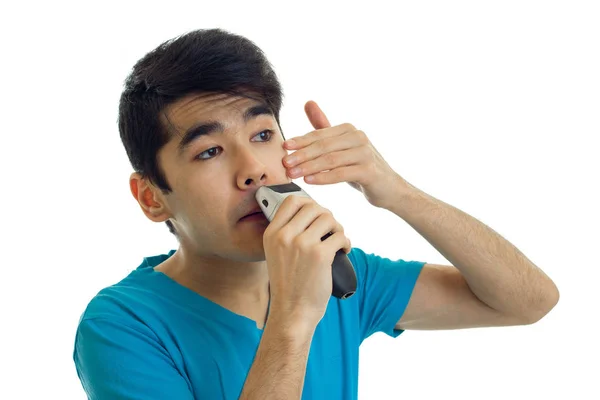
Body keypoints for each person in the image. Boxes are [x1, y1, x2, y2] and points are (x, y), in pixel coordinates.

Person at [72, 28, 559, 399]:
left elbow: (528, 301)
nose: (252, 172)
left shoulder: (347, 278)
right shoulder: (122, 325)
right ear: (151, 197)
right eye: (209, 152)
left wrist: (394, 190)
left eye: (262, 136)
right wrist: (294, 314)